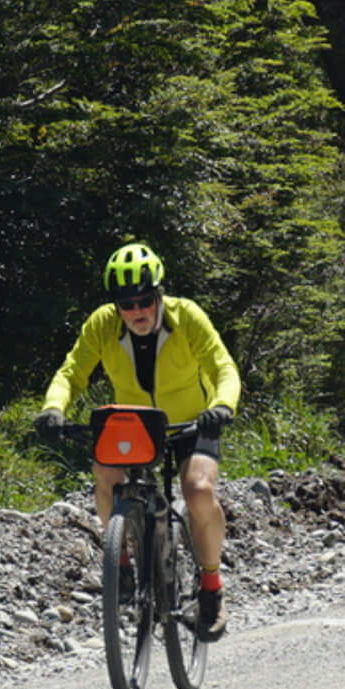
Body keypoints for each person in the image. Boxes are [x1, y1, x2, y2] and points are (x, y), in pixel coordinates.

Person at [36, 241, 239, 638]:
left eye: (144, 300)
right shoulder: (101, 325)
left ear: (159, 294)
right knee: (105, 471)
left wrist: (221, 406)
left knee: (198, 490)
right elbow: (71, 372)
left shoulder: (188, 317)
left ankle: (212, 587)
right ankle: (122, 563)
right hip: (135, 426)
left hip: (192, 424)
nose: (136, 312)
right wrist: (53, 408)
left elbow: (223, 367)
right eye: (125, 304)